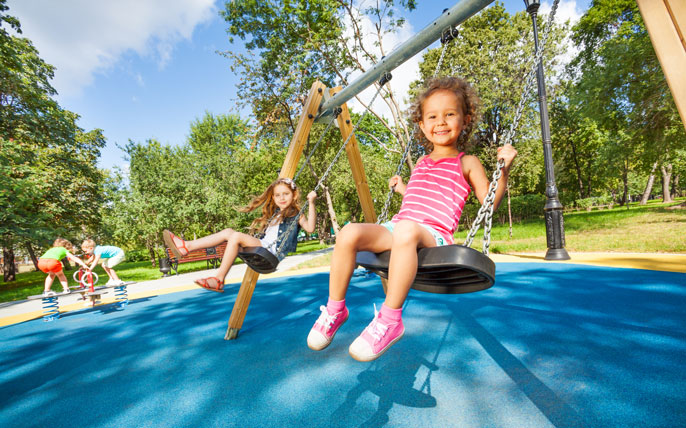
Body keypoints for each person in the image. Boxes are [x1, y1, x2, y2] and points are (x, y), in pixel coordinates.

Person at [307, 76, 518, 362]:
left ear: (465, 119)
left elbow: (490, 203)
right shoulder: (420, 163)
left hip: (435, 235)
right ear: (421, 124)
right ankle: (335, 309)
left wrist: (503, 171)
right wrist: (403, 189)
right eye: (432, 116)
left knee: (405, 229)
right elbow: (418, 200)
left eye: (450, 114)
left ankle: (390, 320)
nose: (440, 122)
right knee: (349, 233)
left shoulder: (468, 162)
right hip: (402, 227)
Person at [163, 177, 317, 292]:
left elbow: (310, 228)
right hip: (261, 249)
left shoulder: (296, 215)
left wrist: (311, 203)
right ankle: (186, 247)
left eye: (286, 194)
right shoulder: (275, 213)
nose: (281, 198)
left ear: (294, 195)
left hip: (270, 254)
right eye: (277, 195)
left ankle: (218, 279)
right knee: (228, 232)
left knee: (235, 236)